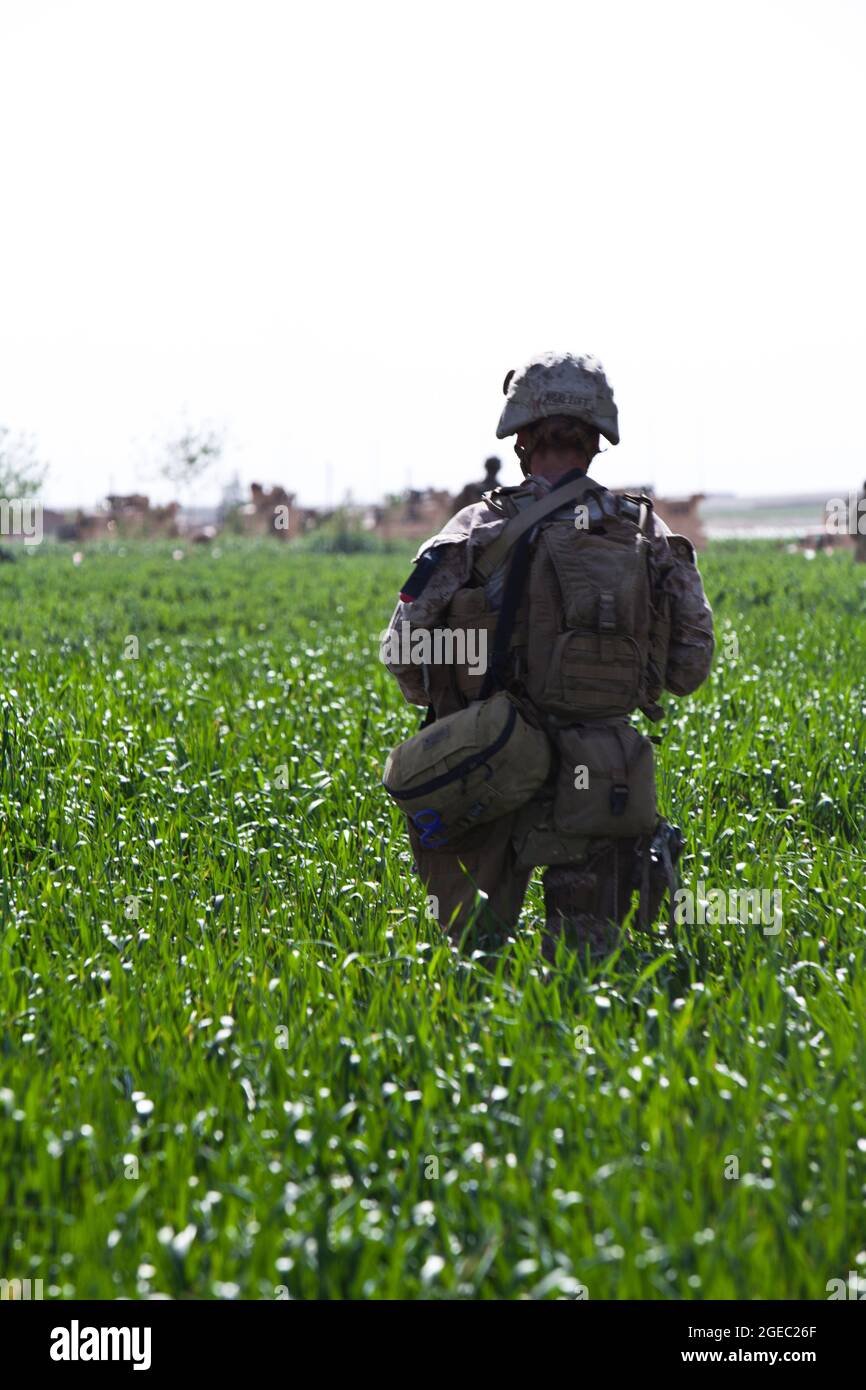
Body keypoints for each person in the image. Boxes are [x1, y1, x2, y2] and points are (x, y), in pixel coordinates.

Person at [382, 352, 714, 957]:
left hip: (493, 765)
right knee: (596, 973)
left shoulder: (477, 527)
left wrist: (459, 702)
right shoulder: (644, 530)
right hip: (606, 777)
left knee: (477, 969)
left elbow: (402, 650)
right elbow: (691, 665)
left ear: (521, 439)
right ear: (594, 443)